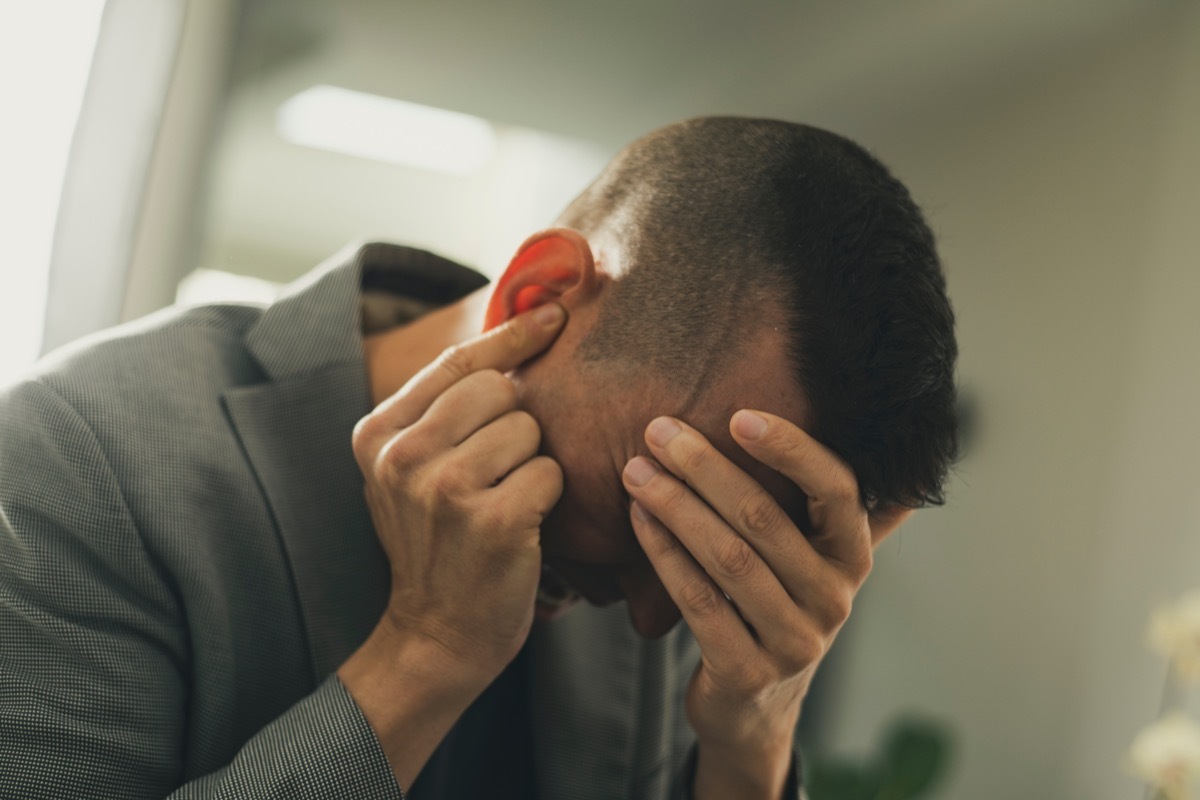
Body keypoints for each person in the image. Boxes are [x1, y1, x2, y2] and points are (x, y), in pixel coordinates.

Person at [0, 117, 958, 799]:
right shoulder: (79, 460)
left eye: (711, 543)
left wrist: (750, 748)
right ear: (537, 297)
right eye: (652, 506)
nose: (658, 616)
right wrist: (425, 653)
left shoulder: (701, 589)